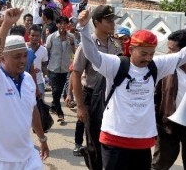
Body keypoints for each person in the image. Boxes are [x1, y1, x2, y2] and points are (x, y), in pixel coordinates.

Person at [77, 9, 186, 170]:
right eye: (143, 53)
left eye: (151, 54)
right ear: (132, 48)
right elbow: (92, 54)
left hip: (142, 141)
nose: (148, 58)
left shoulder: (156, 66)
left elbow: (182, 55)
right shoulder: (115, 65)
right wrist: (84, 28)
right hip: (114, 138)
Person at [0, 7, 49, 169]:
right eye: (17, 56)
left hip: (26, 157)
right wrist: (5, 25)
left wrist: (42, 139)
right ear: (2, 58)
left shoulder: (29, 80)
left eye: (25, 55)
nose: (23, 60)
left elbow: (32, 110)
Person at [71, 5, 122, 166]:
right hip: (92, 96)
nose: (112, 24)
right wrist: (80, 105)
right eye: (108, 21)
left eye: (113, 20)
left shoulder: (115, 44)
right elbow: (76, 74)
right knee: (94, 141)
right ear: (96, 22)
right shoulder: (87, 44)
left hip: (112, 97)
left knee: (111, 138)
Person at [152, 29, 186, 170]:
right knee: (161, 162)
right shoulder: (165, 66)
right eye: (168, 49)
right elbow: (156, 96)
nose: (168, 54)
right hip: (167, 124)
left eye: (173, 51)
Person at [46, 16, 76, 122]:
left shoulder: (71, 36)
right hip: (53, 68)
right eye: (60, 23)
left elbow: (75, 52)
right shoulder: (52, 37)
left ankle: (53, 106)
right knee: (55, 91)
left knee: (58, 91)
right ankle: (60, 113)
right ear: (57, 24)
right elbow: (47, 51)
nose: (63, 26)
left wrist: (72, 43)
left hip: (64, 69)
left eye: (65, 23)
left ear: (67, 24)